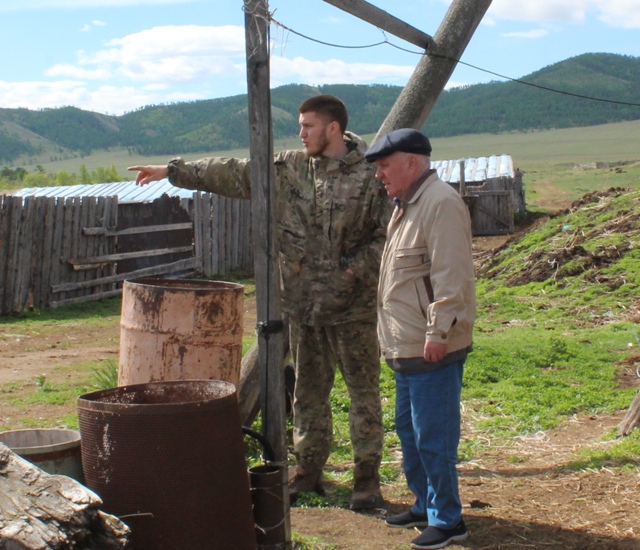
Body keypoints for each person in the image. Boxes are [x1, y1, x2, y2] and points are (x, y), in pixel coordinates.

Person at [128, 94, 389, 510]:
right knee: (307, 394)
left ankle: (367, 481)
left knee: (363, 396)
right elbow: (233, 172)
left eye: (308, 126)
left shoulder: (373, 174)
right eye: (301, 126)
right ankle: (307, 472)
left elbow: (386, 236)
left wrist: (352, 270)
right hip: (303, 308)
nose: (300, 133)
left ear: (334, 128)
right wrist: (170, 171)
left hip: (353, 311)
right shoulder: (289, 168)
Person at [364, 128, 476, 549]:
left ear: (412, 162)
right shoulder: (407, 205)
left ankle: (449, 520)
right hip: (406, 345)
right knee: (410, 432)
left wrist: (439, 332)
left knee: (433, 435)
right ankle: (426, 505)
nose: (380, 175)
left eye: (385, 166)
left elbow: (452, 277)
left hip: (432, 347)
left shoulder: (440, 203)